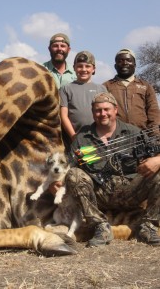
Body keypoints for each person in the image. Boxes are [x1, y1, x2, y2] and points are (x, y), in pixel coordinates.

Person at [64, 92, 160, 248]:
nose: (103, 114)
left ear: (115, 110)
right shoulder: (82, 136)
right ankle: (100, 226)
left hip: (131, 191)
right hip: (99, 194)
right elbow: (69, 163)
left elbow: (155, 151)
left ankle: (148, 227)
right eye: (98, 110)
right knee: (73, 175)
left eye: (106, 109)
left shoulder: (133, 132)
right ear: (93, 112)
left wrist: (158, 160)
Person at [103, 48, 160, 134]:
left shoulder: (146, 86)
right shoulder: (106, 86)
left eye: (128, 60)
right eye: (120, 60)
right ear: (115, 66)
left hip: (142, 137)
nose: (125, 63)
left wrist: (154, 136)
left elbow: (153, 112)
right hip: (115, 138)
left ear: (134, 65)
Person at [60, 51, 107, 152]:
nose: (83, 69)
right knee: (78, 165)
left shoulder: (102, 89)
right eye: (80, 66)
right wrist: (74, 137)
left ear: (93, 69)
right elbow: (63, 116)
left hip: (98, 139)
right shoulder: (65, 89)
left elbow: (107, 114)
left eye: (87, 66)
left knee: (96, 164)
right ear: (74, 67)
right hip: (74, 140)